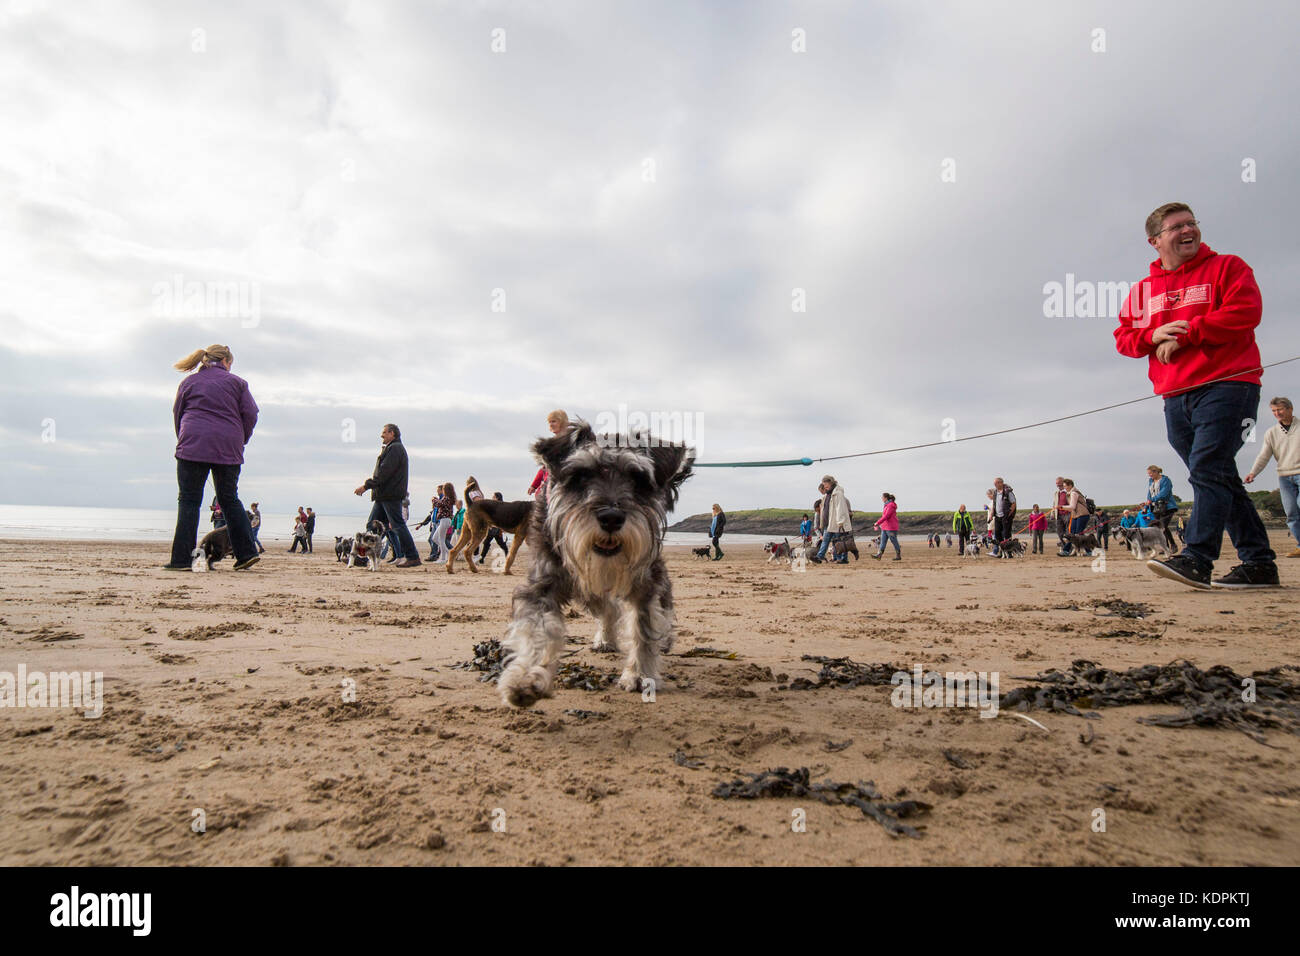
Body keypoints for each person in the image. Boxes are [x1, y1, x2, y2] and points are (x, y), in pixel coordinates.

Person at [1116, 201, 1278, 588]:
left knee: (1207, 467)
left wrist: (1187, 331)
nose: (1188, 230)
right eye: (1177, 227)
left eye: (1192, 223)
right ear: (1155, 241)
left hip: (1230, 384)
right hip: (1175, 395)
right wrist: (1152, 335)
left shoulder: (1228, 267)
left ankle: (1197, 558)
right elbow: (1123, 338)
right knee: (1216, 475)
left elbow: (1246, 311)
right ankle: (1259, 563)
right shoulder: (1144, 291)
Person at [165, 345, 260, 571]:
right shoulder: (238, 383)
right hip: (228, 445)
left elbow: (178, 413)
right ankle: (246, 554)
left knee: (189, 500)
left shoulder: (189, 383)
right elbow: (251, 414)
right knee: (229, 499)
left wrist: (185, 438)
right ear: (226, 361)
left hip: (193, 444)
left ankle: (181, 560)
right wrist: (240, 438)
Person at [353, 423, 421, 567]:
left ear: (392, 433)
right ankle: (363, 556)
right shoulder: (392, 448)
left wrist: (366, 486)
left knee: (398, 525)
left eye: (384, 432)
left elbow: (384, 473)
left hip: (390, 494)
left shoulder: (395, 448)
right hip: (384, 495)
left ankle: (413, 556)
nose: (381, 435)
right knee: (372, 526)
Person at [1246, 396, 1300, 557]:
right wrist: (1253, 472)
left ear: (1290, 409)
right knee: (1291, 513)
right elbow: (1264, 455)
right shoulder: (1271, 433)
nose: (1277, 413)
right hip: (1284, 477)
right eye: (1274, 411)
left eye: (1280, 410)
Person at [527, 410, 570, 503]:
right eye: (549, 422)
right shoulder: (550, 443)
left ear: (562, 422)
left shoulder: (570, 442)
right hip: (547, 489)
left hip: (562, 488)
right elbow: (544, 468)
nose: (551, 424)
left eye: (554, 421)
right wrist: (534, 485)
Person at [813, 476, 852, 564]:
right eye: (824, 487)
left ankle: (841, 558)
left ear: (831, 483)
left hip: (836, 522)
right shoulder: (828, 494)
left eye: (826, 487)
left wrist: (840, 521)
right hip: (828, 522)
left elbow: (840, 508)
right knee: (826, 540)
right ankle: (820, 556)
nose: (825, 489)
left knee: (838, 541)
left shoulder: (838, 493)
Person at [1144, 465, 1179, 552]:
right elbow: (1149, 493)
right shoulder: (1151, 481)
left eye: (1150, 473)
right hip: (1156, 508)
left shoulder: (1166, 480)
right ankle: (1165, 547)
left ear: (1156, 472)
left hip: (1167, 507)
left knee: (1162, 526)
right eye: (1148, 474)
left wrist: (1152, 499)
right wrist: (1146, 506)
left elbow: (1163, 494)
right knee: (1160, 528)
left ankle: (1173, 545)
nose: (1149, 475)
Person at [1058, 478, 1091, 555]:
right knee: (1073, 534)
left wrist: (1061, 507)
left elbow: (1072, 506)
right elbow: (1072, 508)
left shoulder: (1073, 493)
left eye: (1065, 486)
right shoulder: (1070, 493)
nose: (1064, 488)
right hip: (1076, 515)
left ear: (1070, 485)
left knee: (1078, 534)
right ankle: (1067, 550)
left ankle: (1067, 550)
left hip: (1082, 515)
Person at [427, 483, 455, 565]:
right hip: (445, 520)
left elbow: (439, 504)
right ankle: (447, 554)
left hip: (445, 520)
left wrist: (433, 499)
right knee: (435, 538)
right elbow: (440, 503)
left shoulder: (447, 498)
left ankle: (443, 558)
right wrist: (436, 500)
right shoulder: (448, 498)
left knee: (441, 540)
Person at [871, 492, 901, 560]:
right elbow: (884, 517)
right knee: (883, 541)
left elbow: (886, 516)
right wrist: (878, 524)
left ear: (886, 498)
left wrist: (877, 522)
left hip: (891, 527)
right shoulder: (887, 505)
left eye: (882, 497)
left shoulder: (890, 505)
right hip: (885, 527)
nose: (881, 498)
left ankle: (898, 555)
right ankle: (879, 555)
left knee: (894, 541)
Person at [991, 477, 1017, 549]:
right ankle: (1002, 550)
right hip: (997, 516)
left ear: (1000, 483)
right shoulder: (995, 492)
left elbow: (1013, 503)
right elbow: (994, 504)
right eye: (994, 483)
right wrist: (991, 514)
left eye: (996, 483)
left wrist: (1009, 513)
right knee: (997, 533)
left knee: (1006, 534)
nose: (995, 485)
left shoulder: (1008, 492)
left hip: (1006, 516)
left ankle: (1009, 551)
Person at [1052, 476, 1070, 552]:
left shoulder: (1068, 492)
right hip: (1058, 515)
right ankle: (1064, 547)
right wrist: (1053, 513)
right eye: (1057, 484)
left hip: (1067, 514)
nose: (1058, 485)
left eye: (1059, 483)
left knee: (1068, 533)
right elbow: (1054, 504)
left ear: (1063, 483)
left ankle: (1068, 549)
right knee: (1060, 533)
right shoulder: (1056, 493)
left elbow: (1071, 504)